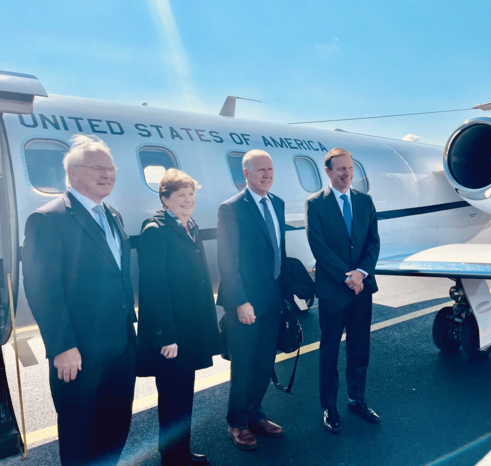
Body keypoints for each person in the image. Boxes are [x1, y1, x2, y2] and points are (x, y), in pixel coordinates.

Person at [22, 134, 137, 465]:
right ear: (72, 173)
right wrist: (62, 346)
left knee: (116, 424)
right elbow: (42, 288)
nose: (107, 174)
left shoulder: (113, 214)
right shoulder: (49, 218)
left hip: (120, 344)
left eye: (111, 168)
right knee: (80, 433)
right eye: (97, 168)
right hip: (79, 351)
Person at [137, 169, 222, 466]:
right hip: (172, 335)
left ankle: (180, 455)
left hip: (190, 330)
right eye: (181, 195)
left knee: (184, 395)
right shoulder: (156, 231)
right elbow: (154, 288)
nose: (188, 200)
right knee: (174, 399)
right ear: (165, 199)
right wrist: (166, 336)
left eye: (191, 194)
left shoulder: (188, 226)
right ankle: (173, 459)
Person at [217, 149, 292, 450]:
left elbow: (278, 251)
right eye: (260, 170)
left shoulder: (278, 203)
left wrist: (286, 292)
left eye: (270, 169)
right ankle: (236, 422)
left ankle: (255, 414)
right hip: (246, 302)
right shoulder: (232, 208)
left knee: (264, 362)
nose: (267, 174)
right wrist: (240, 301)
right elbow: (227, 259)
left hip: (273, 298)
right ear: (245, 174)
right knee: (244, 363)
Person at [305, 147, 381, 434]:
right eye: (340, 169)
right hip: (334, 291)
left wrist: (361, 273)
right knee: (330, 350)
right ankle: (329, 406)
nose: (347, 173)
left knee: (360, 347)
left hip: (362, 288)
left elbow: (373, 241)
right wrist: (346, 276)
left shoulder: (364, 200)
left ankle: (356, 399)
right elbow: (318, 245)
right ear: (328, 172)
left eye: (349, 168)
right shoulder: (315, 204)